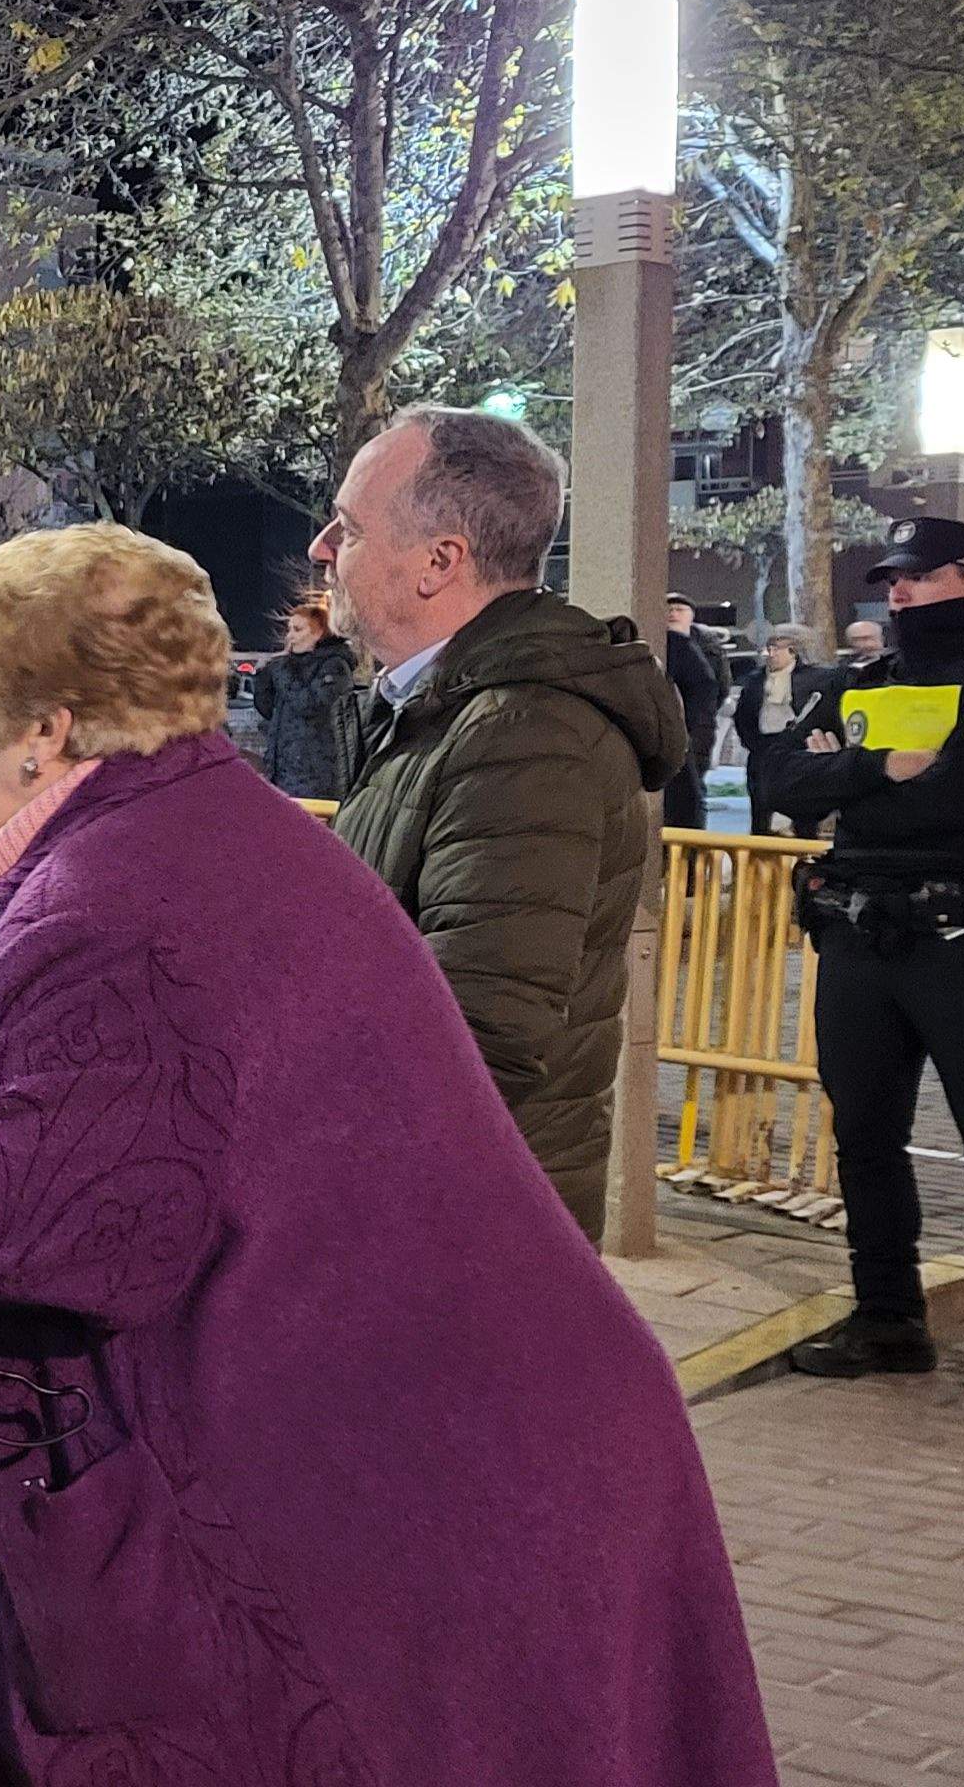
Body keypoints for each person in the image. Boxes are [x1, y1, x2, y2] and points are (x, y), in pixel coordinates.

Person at [0, 522, 780, 1787]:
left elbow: (39, 1234)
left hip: (371, 1485)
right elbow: (78, 1138)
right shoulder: (194, 830)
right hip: (442, 1448)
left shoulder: (109, 909)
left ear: (48, 728)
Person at [318, 405, 683, 1238]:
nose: (323, 551)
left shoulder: (524, 733)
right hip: (423, 1190)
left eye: (348, 527)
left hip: (456, 1217)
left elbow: (480, 1029)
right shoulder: (444, 711)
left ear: (439, 561)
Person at [757, 516, 964, 1411]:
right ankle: (888, 1319)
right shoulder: (863, 681)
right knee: (864, 1137)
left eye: (918, 576)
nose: (898, 592)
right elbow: (778, 784)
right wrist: (882, 770)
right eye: (893, 579)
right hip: (860, 936)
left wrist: (855, 788)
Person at [243, 592, 359, 800]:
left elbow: (309, 705)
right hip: (282, 773)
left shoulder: (335, 667)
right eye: (289, 629)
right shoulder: (289, 666)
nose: (290, 636)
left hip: (316, 778)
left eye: (298, 629)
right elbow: (269, 709)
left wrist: (282, 672)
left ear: (319, 633)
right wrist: (263, 680)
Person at [733, 623, 832, 836]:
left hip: (799, 750)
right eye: (769, 648)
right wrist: (754, 743)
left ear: (794, 651)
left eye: (777, 648)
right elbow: (743, 716)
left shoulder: (816, 679)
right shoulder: (755, 680)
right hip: (763, 749)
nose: (771, 654)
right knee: (760, 810)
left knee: (803, 811)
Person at [660, 592, 727, 829]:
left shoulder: (708, 649)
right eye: (669, 608)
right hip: (678, 734)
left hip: (698, 732)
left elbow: (718, 688)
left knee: (692, 794)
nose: (673, 613)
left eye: (680, 609)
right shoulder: (666, 647)